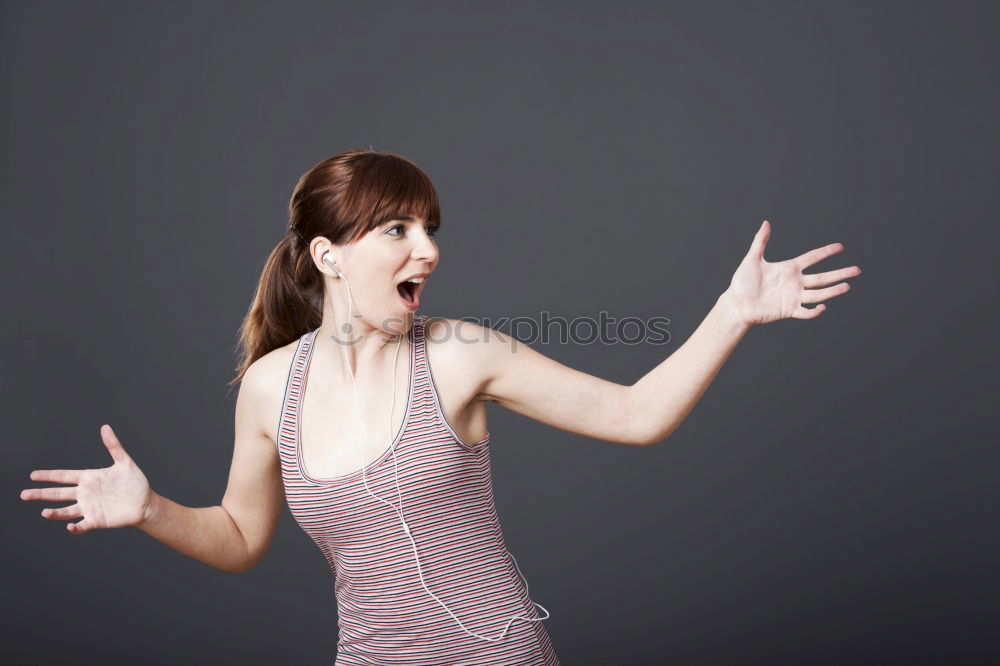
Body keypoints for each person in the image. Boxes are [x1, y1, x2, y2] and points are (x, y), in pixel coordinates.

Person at [20, 149, 861, 664]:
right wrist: (152, 509)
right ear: (329, 256)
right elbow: (241, 540)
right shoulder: (272, 387)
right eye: (396, 230)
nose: (428, 248)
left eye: (430, 227)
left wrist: (732, 311)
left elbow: (637, 414)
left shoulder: (461, 356)